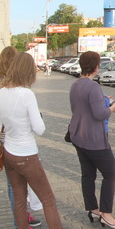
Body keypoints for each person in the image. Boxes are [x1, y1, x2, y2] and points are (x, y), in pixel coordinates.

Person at [0, 52, 62, 229]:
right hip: (26, 154)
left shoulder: (1, 92)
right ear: (29, 72)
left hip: (9, 152)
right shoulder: (26, 94)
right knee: (48, 200)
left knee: (19, 200)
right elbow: (39, 129)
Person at [69, 51, 115, 228]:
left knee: (88, 174)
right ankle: (106, 213)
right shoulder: (93, 87)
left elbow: (80, 107)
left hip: (78, 136)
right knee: (111, 173)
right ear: (96, 66)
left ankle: (93, 208)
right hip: (93, 138)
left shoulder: (76, 84)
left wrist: (102, 100)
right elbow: (99, 114)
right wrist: (112, 108)